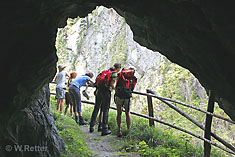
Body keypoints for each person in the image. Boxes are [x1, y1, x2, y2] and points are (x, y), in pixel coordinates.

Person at [90, 63, 121, 136]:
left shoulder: (105, 71)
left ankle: (91, 126)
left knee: (96, 108)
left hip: (99, 91)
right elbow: (112, 84)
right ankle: (105, 129)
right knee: (106, 109)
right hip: (106, 92)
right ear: (118, 68)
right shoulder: (114, 74)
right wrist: (115, 89)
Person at [114, 67, 137, 137]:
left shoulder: (121, 75)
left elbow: (116, 85)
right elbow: (133, 87)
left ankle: (119, 129)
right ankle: (128, 129)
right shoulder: (133, 78)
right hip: (127, 96)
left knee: (119, 113)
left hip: (119, 96)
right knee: (127, 113)